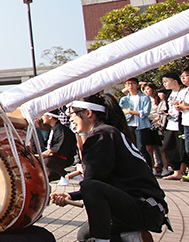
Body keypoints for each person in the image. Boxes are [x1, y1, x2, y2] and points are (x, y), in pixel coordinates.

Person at [50, 94, 170, 242]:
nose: (71, 119)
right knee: (84, 234)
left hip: (145, 207)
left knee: (90, 189)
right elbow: (101, 181)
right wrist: (72, 196)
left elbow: (93, 183)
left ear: (88, 113)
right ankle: (135, 237)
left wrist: (84, 179)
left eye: (73, 113)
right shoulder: (108, 132)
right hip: (147, 207)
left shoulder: (102, 135)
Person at [119, 78, 154, 169]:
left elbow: (145, 112)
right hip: (129, 124)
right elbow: (121, 111)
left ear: (137, 85)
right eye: (128, 84)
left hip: (141, 126)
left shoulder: (144, 97)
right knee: (130, 146)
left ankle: (148, 167)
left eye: (133, 83)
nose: (130, 86)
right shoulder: (124, 99)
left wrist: (131, 112)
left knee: (141, 147)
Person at [160, 71, 188, 180]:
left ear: (175, 81)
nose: (165, 84)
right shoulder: (168, 94)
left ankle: (181, 170)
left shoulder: (183, 92)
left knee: (182, 149)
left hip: (180, 124)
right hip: (170, 124)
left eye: (166, 81)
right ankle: (176, 170)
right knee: (168, 146)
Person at [40, 110, 76, 182]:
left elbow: (62, 145)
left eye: (43, 115)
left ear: (50, 117)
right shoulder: (55, 128)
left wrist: (50, 151)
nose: (42, 117)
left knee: (47, 161)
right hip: (57, 155)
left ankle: (64, 175)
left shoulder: (60, 129)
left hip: (65, 156)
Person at [143, 83, 169, 176]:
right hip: (148, 125)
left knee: (161, 148)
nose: (146, 91)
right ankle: (152, 167)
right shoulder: (144, 99)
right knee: (149, 149)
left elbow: (160, 113)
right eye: (145, 89)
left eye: (148, 89)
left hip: (158, 125)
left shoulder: (159, 100)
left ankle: (165, 168)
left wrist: (156, 121)